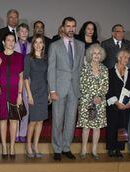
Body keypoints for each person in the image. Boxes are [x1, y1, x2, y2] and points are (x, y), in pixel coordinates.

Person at [48, 17, 85, 161]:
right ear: (63, 27)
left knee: (70, 120)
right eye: (68, 26)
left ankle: (66, 147)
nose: (71, 29)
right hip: (59, 88)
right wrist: (52, 90)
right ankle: (57, 148)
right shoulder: (55, 46)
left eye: (73, 26)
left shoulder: (81, 45)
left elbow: (81, 68)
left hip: (74, 88)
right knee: (57, 119)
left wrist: (81, 88)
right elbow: (51, 69)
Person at [0, 32, 24, 159]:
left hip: (14, 92)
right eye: (8, 40)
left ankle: (12, 146)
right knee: (2, 120)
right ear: (3, 42)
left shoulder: (19, 57)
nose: (11, 43)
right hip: (1, 93)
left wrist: (20, 94)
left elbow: (21, 77)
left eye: (13, 40)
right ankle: (4, 147)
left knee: (13, 120)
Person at [77, 44, 108, 160]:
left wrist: (99, 96)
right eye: (94, 53)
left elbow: (106, 86)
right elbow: (82, 85)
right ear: (90, 55)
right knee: (86, 127)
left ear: (101, 55)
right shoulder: (85, 68)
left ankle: (94, 150)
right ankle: (84, 149)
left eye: (98, 53)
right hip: (86, 101)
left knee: (97, 127)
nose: (96, 55)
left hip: (100, 102)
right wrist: (92, 97)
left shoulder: (104, 69)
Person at [106, 49, 130, 158]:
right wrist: (116, 102)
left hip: (126, 106)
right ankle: (111, 148)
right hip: (114, 105)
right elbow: (108, 89)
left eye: (128, 58)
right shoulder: (110, 71)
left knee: (123, 127)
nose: (126, 60)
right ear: (119, 58)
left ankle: (119, 149)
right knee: (112, 127)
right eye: (124, 57)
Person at [23, 34, 49, 158]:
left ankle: (36, 145)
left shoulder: (46, 58)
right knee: (33, 121)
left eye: (40, 42)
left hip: (44, 92)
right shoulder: (28, 58)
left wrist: (49, 92)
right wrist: (29, 95)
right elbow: (25, 78)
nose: (38, 45)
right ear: (33, 44)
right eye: (36, 42)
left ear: (43, 44)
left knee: (41, 121)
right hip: (33, 92)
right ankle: (28, 145)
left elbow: (48, 77)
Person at [14, 23, 31, 143]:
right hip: (16, 80)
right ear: (18, 33)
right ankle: (15, 133)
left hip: (28, 80)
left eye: (26, 31)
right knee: (16, 107)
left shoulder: (33, 46)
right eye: (21, 31)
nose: (24, 33)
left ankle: (22, 133)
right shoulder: (13, 45)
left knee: (26, 108)